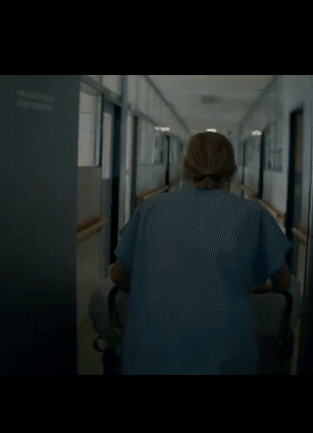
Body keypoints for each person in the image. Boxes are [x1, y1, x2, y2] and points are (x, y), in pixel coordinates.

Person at [110, 131, 292, 375]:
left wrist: (154, 287)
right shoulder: (252, 214)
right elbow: (284, 281)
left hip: (152, 354)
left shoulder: (151, 209)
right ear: (232, 169)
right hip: (227, 355)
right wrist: (256, 287)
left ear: (186, 167)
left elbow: (118, 276)